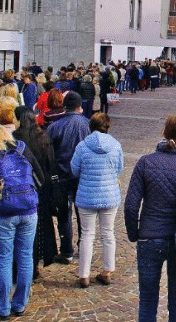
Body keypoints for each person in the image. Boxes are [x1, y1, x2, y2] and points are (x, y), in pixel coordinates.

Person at [125, 115, 176, 322]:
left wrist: (134, 233)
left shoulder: (145, 163)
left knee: (147, 298)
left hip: (150, 238)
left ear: (164, 133)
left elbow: (130, 205)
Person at [0, 125, 43, 320]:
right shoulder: (21, 149)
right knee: (26, 257)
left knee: (4, 259)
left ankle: (2, 307)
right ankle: (20, 304)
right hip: (28, 209)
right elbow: (38, 176)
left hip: (2, 212)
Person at [70, 113, 123, 288]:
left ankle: (84, 275)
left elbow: (74, 170)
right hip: (109, 195)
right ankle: (107, 271)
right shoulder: (116, 146)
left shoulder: (82, 146)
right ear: (107, 126)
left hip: (87, 196)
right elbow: (119, 169)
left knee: (87, 235)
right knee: (108, 233)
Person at [46, 91, 91, 264]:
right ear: (79, 107)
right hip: (82, 175)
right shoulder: (87, 125)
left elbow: (49, 153)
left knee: (64, 214)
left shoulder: (55, 126)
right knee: (82, 213)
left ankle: (66, 250)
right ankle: (82, 246)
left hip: (62, 174)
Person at [13, 106, 57, 280]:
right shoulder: (43, 137)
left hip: (22, 185)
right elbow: (51, 163)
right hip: (42, 185)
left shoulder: (15, 138)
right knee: (40, 225)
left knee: (22, 228)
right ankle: (35, 263)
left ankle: (23, 264)